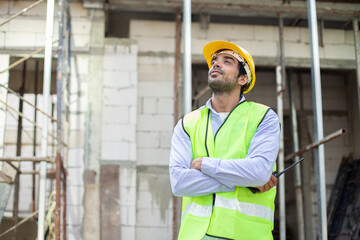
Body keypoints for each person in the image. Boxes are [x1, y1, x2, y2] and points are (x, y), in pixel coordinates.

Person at [169, 40, 280, 240]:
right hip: (195, 235)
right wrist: (243, 181)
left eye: (227, 61)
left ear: (243, 78)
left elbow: (259, 171)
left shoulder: (263, 117)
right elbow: (179, 183)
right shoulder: (187, 123)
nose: (216, 64)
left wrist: (205, 164)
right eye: (214, 61)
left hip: (246, 235)